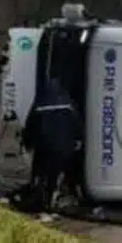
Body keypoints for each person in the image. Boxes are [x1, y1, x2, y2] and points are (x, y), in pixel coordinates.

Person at [20, 78, 81, 211]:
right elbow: (77, 123)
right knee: (57, 172)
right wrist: (77, 140)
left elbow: (31, 125)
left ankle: (39, 196)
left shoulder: (40, 103)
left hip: (44, 146)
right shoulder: (68, 102)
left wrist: (26, 142)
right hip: (64, 146)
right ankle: (53, 196)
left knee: (40, 171)